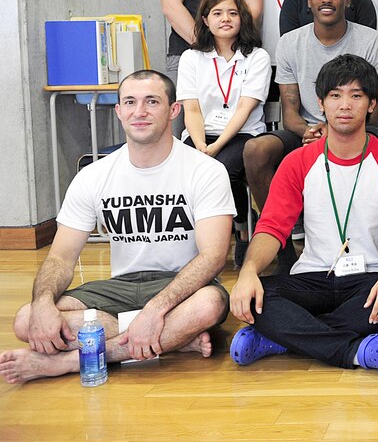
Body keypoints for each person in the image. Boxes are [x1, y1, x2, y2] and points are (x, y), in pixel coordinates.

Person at [0, 71, 234, 384]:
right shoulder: (94, 176)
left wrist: (155, 310)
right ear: (119, 111)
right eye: (130, 102)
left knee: (209, 304)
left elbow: (214, 257)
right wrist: (43, 304)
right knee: (26, 319)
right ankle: (172, 340)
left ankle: (72, 361)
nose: (140, 112)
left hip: (182, 285)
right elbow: (60, 258)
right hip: (120, 287)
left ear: (173, 110)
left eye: (152, 102)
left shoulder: (206, 171)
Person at [228, 55, 378, 380]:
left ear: (372, 104)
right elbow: (272, 227)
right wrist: (248, 272)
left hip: (368, 276)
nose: (345, 105)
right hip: (313, 275)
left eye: (356, 95)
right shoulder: (298, 161)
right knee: (259, 294)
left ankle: (282, 340)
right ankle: (356, 350)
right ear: (321, 103)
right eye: (335, 95)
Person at [242, 0, 378, 271]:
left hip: (362, 129)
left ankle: (359, 246)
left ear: (347, 0)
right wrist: (311, 130)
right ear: (307, 0)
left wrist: (336, 129)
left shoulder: (372, 41)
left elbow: (376, 111)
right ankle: (282, 248)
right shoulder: (289, 43)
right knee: (255, 150)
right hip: (307, 130)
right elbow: (289, 114)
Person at [176, 0, 271, 265]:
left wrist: (216, 147)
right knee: (184, 171)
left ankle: (241, 232)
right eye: (217, 13)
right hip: (200, 134)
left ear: (242, 18)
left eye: (232, 13)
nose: (225, 19)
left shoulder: (257, 57)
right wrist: (201, 145)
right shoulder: (191, 58)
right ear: (205, 20)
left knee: (224, 170)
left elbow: (245, 108)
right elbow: (191, 108)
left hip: (243, 133)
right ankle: (195, 240)